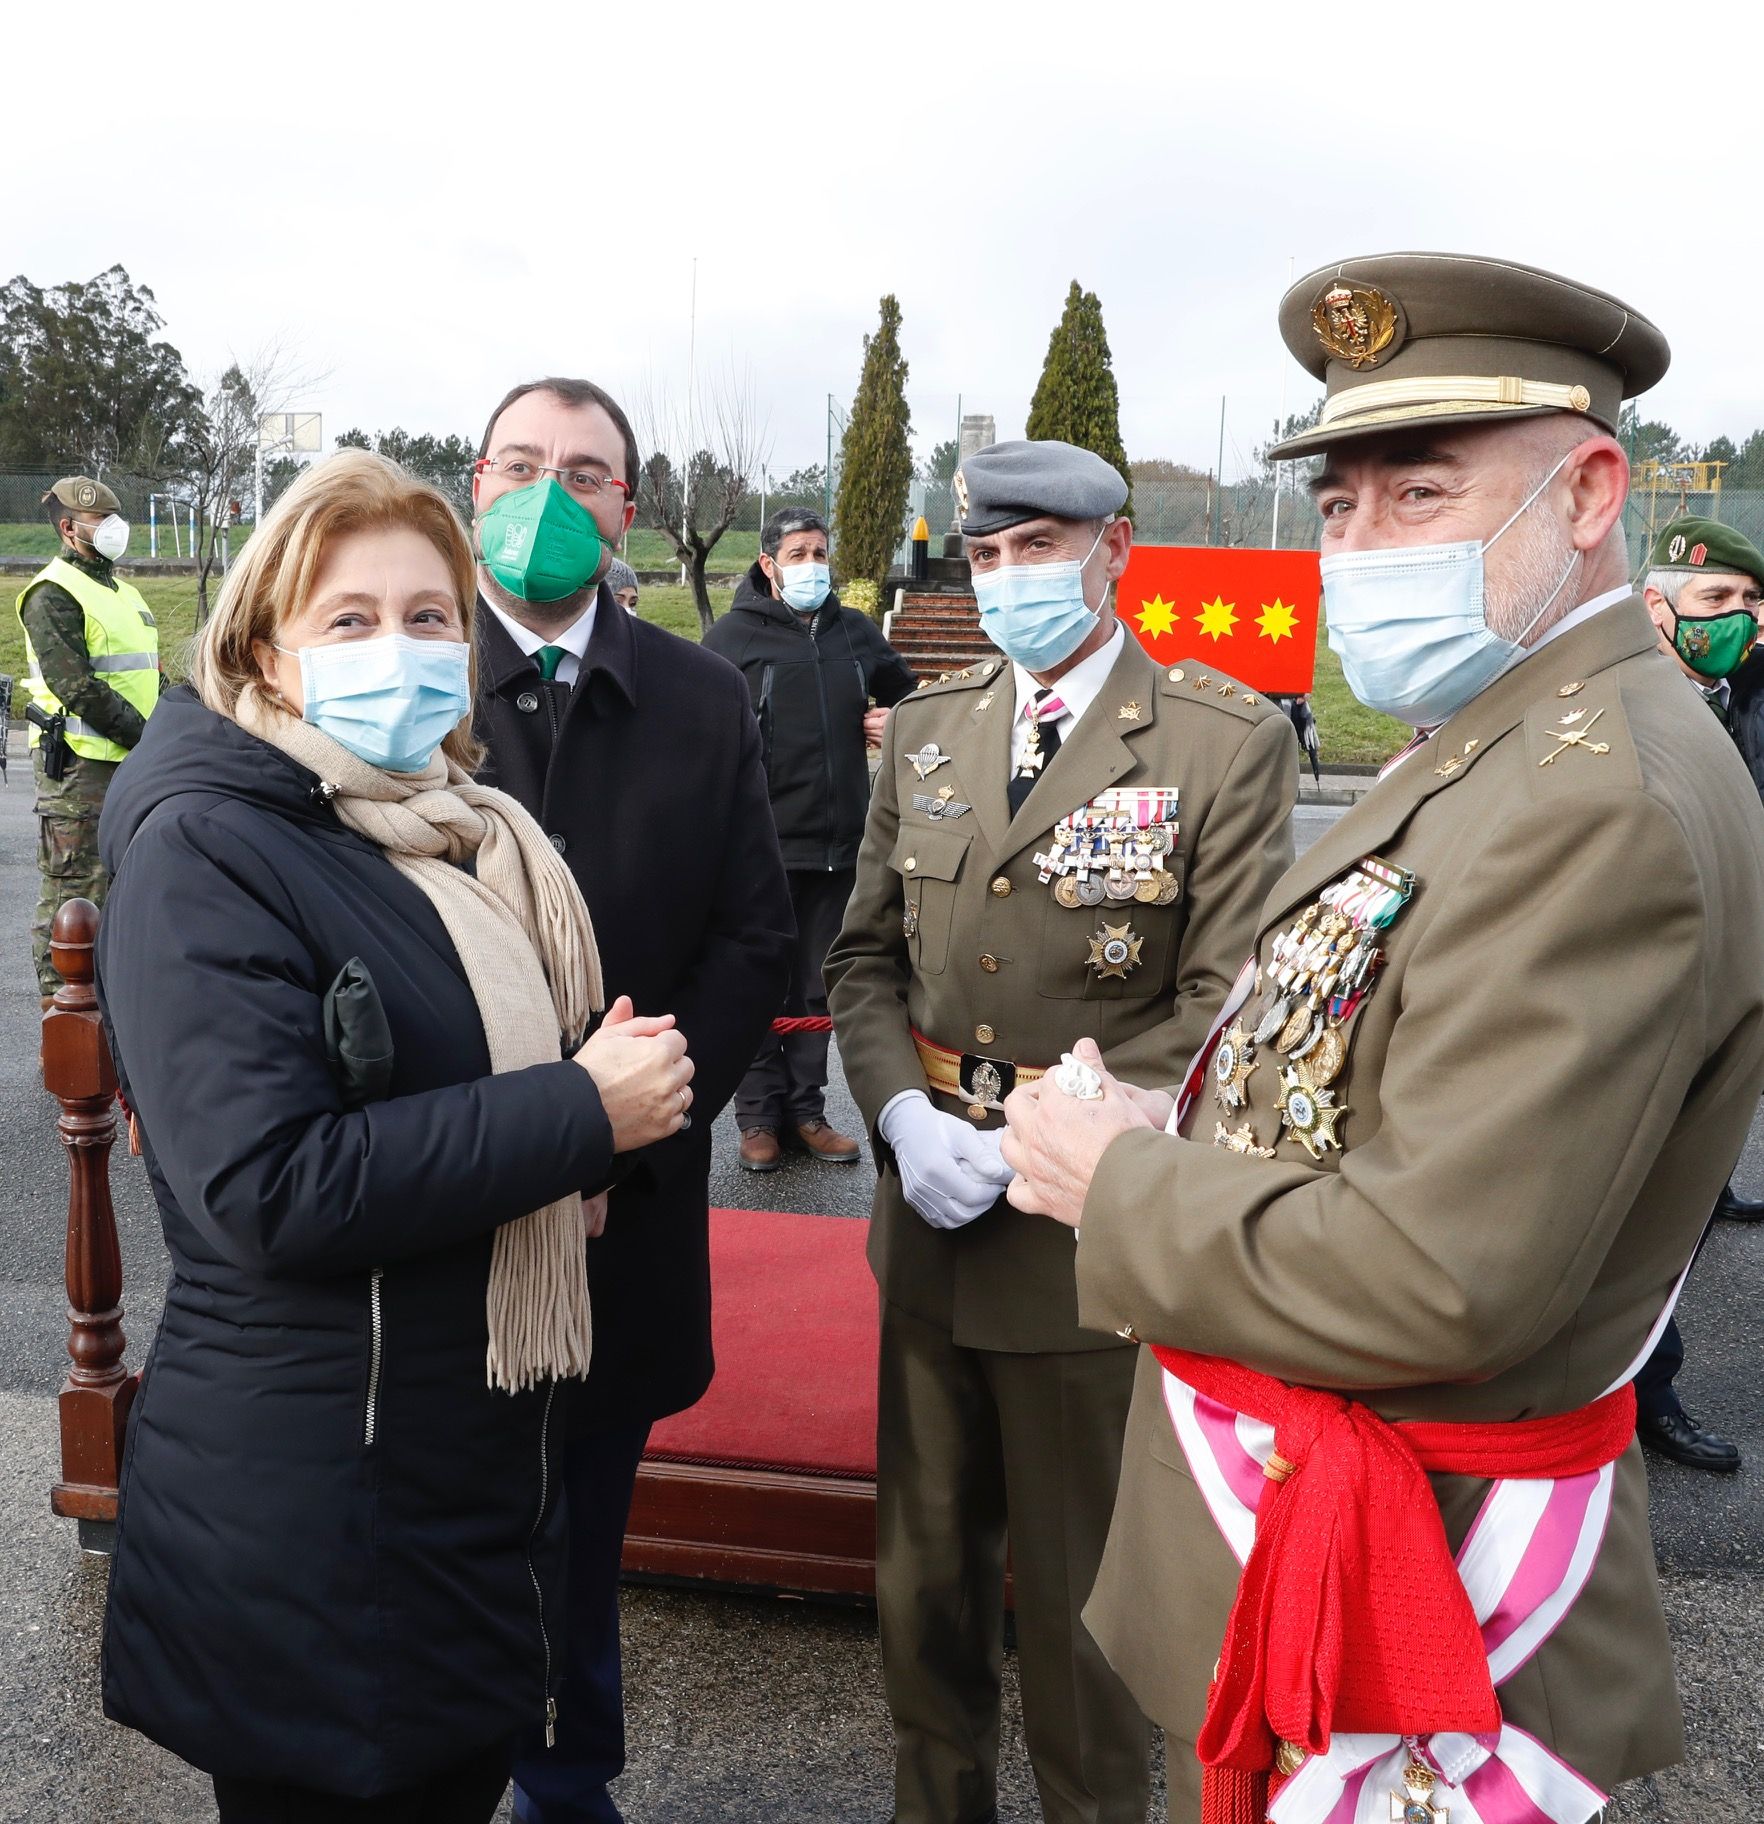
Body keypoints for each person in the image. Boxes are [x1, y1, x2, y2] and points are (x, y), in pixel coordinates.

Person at [1000, 254, 1764, 1824]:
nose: (1357, 549)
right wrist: (1176, 1121)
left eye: (1418, 493)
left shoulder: (1592, 799)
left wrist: (1115, 1182)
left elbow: (1438, 1274)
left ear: (1589, 492)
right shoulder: (1509, 734)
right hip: (1325, 1514)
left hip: (1415, 1564)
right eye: (1338, 506)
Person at [93, 450, 695, 1823]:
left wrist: (575, 1139)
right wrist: (575, 1115)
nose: (401, 649)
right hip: (316, 1515)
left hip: (453, 1483)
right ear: (264, 647)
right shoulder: (209, 842)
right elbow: (267, 1184)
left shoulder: (450, 829)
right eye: (349, 620)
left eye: (429, 618)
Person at [825, 439, 1299, 1824]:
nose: (1008, 577)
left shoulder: (1221, 737)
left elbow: (1230, 997)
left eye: (1038, 548)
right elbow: (861, 962)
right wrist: (902, 1115)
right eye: (986, 555)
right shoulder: (927, 729)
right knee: (924, 1592)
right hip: (928, 1227)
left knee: (1092, 1607)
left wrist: (1061, 1127)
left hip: (1083, 1239)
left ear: (1116, 551)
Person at [467, 376, 794, 1824]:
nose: (549, 496)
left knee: (582, 1519)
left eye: (585, 473)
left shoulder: (702, 694)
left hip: (629, 1206)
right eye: (518, 464)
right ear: (472, 486)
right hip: (436, 1196)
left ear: (628, 511)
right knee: (431, 1523)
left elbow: (751, 939)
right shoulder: (402, 674)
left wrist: (634, 1128)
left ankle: (566, 1775)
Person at [704, 506, 920, 1171]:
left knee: (819, 988)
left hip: (840, 846)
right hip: (758, 849)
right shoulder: (730, 641)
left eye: (821, 552)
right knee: (761, 985)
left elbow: (908, 696)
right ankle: (757, 1118)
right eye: (798, 553)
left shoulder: (855, 633)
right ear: (768, 564)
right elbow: (698, 736)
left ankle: (807, 1111)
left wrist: (893, 721)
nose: (813, 565)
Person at [1626, 514, 1764, 1470]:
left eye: (1753, 604)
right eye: (1716, 600)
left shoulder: (1729, 696)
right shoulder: (1621, 710)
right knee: (1634, 1228)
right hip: (1641, 1011)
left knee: (1674, 1209)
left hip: (1718, 999)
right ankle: (1643, 1391)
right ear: (1655, 606)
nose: (1739, 619)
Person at [15, 476, 159, 1006]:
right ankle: (63, 1019)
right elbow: (76, 686)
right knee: (74, 893)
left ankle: (114, 1012)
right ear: (69, 528)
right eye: (101, 520)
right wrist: (148, 738)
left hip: (130, 761)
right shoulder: (52, 593)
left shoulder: (125, 593)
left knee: (125, 889)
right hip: (80, 769)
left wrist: (165, 728)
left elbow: (146, 676)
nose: (112, 528)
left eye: (115, 518)